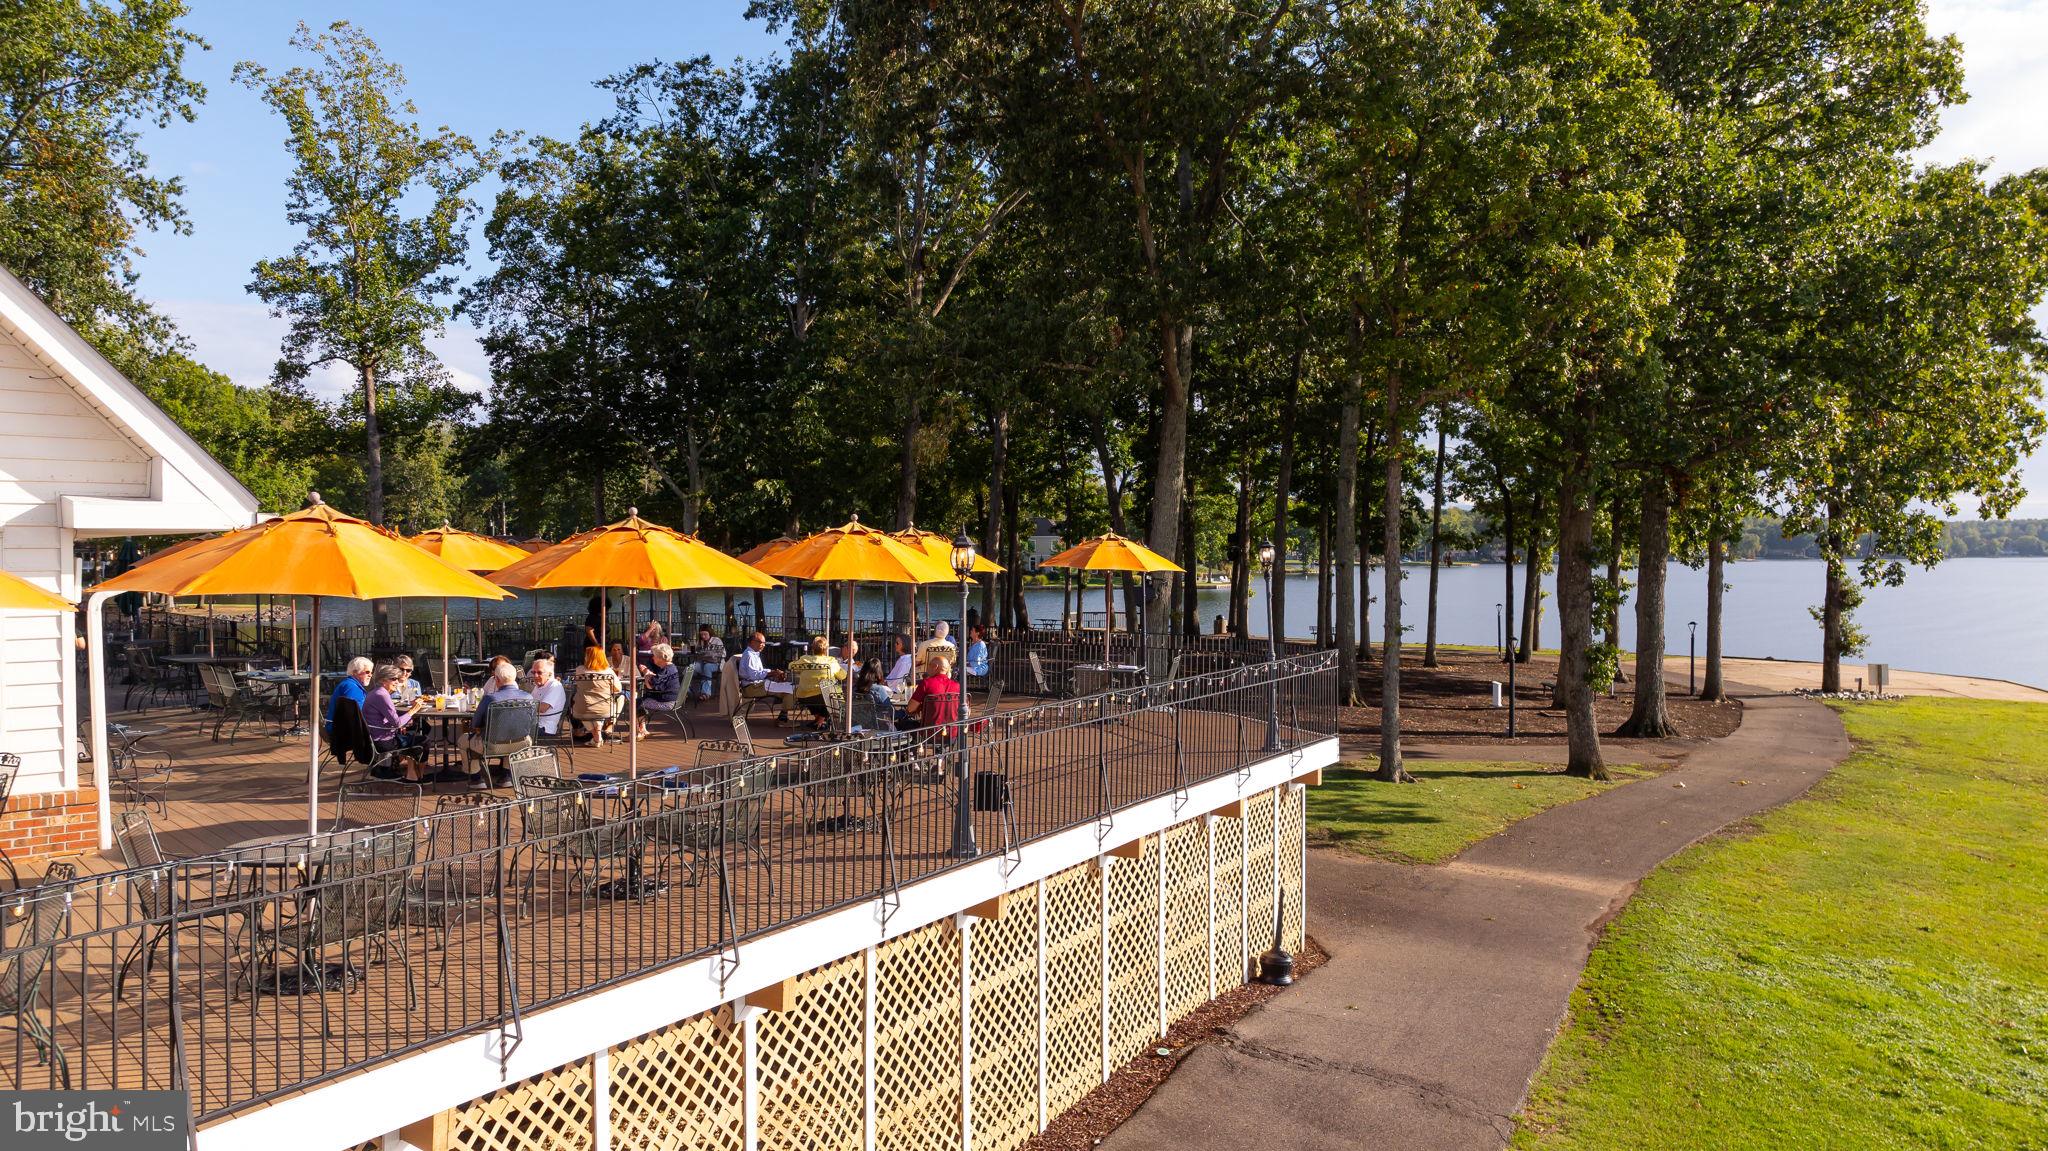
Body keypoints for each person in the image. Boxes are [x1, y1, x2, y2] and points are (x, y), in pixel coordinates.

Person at [462, 663, 531, 782]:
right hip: (522, 743)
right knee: (511, 734)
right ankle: (506, 776)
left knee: (463, 740)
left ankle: (476, 779)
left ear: (497, 679)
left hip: (492, 746)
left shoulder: (490, 698)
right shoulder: (528, 697)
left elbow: (475, 724)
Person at [361, 664, 430, 781]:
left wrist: (406, 719)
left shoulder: (376, 692)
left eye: (397, 678)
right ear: (383, 680)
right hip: (383, 742)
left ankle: (396, 770)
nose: (397, 681)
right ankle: (419, 777)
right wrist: (413, 711)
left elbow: (388, 718)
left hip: (374, 738)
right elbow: (397, 723)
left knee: (414, 731)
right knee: (424, 741)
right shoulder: (382, 695)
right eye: (393, 679)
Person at [569, 645, 623, 747]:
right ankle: (598, 734)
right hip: (604, 709)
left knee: (586, 707)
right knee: (606, 703)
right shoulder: (608, 671)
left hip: (581, 709)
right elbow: (618, 689)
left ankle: (596, 737)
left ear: (588, 657)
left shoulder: (579, 670)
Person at [788, 636, 846, 727]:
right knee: (834, 693)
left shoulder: (804, 659)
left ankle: (819, 721)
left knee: (814, 695)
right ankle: (821, 721)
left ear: (812, 648)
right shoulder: (831, 661)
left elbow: (791, 666)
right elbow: (842, 676)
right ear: (826, 649)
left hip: (803, 697)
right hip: (824, 697)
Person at [635, 642, 683, 739]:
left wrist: (646, 673)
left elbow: (650, 686)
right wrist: (649, 674)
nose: (653, 658)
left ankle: (639, 731)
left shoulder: (666, 670)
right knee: (641, 700)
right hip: (674, 699)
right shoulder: (671, 668)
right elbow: (658, 680)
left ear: (661, 658)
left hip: (667, 702)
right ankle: (643, 729)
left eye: (655, 656)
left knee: (636, 703)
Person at [907, 654, 963, 733]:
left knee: (904, 725)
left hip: (929, 732)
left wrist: (921, 707)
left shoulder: (926, 683)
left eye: (929, 665)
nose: (927, 669)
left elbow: (910, 708)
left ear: (935, 667)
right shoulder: (957, 686)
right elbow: (966, 711)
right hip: (953, 732)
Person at [324, 656, 374, 739]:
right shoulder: (352, 687)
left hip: (337, 727)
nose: (370, 675)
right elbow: (354, 714)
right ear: (355, 672)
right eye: (367, 672)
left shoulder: (348, 683)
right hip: (343, 731)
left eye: (371, 672)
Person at [528, 656, 566, 737]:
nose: (535, 675)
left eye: (539, 672)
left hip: (544, 728)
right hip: (534, 724)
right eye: (533, 672)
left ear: (549, 674)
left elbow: (543, 708)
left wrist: (523, 706)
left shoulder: (555, 686)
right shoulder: (539, 685)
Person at [690, 625, 726, 700]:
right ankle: (686, 690)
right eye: (701, 634)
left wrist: (704, 654)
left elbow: (721, 654)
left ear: (710, 633)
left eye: (705, 634)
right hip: (703, 663)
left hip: (717, 664)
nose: (703, 636)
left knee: (707, 667)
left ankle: (706, 693)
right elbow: (697, 654)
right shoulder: (700, 642)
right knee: (691, 667)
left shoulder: (717, 640)